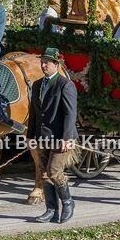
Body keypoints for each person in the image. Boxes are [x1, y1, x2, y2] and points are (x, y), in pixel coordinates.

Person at [27, 48, 78, 224]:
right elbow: (33, 112)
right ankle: (51, 210)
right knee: (43, 173)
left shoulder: (65, 85)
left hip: (60, 137)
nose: (43, 65)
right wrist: (30, 135)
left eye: (47, 62)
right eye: (42, 62)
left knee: (54, 171)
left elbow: (70, 114)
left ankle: (68, 202)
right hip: (42, 136)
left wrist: (67, 138)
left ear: (56, 65)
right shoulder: (36, 85)